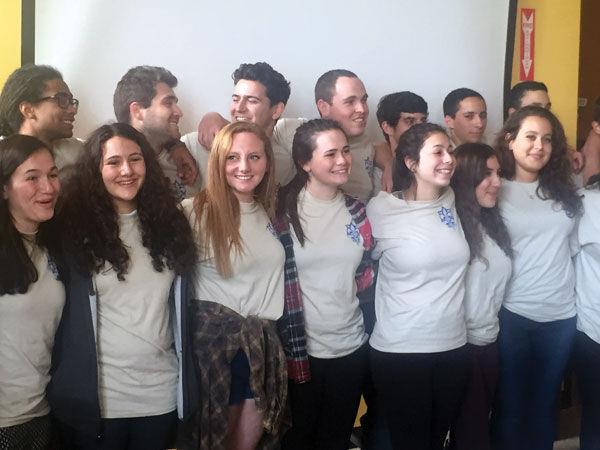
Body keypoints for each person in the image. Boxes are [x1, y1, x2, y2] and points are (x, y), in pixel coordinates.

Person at [47, 123, 197, 449]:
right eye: (113, 162)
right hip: (98, 401)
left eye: (135, 159)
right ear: (96, 168)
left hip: (161, 394)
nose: (126, 170)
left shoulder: (171, 223)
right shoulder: (72, 228)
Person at [182, 121, 287, 450]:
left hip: (260, 351)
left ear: (267, 161)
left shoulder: (268, 210)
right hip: (215, 355)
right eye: (232, 157)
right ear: (217, 161)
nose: (244, 166)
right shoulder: (192, 212)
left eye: (254, 156)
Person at [366, 122, 470, 449]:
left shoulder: (451, 199)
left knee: (437, 439)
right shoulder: (380, 209)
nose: (448, 159)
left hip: (453, 346)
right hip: (401, 351)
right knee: (410, 442)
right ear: (411, 164)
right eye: (437, 152)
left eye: (450, 151)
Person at [274, 119, 374, 450]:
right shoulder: (282, 213)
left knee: (336, 438)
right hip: (301, 353)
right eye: (330, 154)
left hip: (351, 346)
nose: (342, 160)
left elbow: (363, 275)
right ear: (305, 163)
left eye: (345, 151)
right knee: (298, 439)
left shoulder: (357, 211)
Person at [491, 106, 582, 450]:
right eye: (530, 137)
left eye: (547, 139)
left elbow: (570, 248)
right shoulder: (494, 188)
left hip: (561, 317)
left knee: (545, 407)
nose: (539, 146)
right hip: (512, 314)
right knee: (510, 407)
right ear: (510, 140)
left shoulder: (564, 190)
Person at [0, 134, 63, 448]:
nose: (48, 188)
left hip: (42, 413)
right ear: (4, 188)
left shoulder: (51, 246)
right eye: (32, 178)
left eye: (53, 175)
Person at [449, 143, 513, 450]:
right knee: (473, 434)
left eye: (498, 173)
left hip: (490, 340)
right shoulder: (451, 230)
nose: (497, 182)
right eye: (486, 174)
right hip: (462, 346)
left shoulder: (491, 224)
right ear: (463, 178)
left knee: (479, 427)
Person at [185, 61, 294, 188]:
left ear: (276, 110)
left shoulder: (284, 163)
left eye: (252, 101)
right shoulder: (195, 144)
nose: (239, 108)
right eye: (235, 99)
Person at [113, 65, 201, 199]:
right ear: (137, 111)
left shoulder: (189, 157)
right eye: (167, 103)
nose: (179, 112)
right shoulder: (114, 174)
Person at [0, 64, 82, 179]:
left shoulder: (78, 153)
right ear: (28, 110)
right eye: (62, 100)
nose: (73, 110)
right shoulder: (2, 157)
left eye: (71, 101)